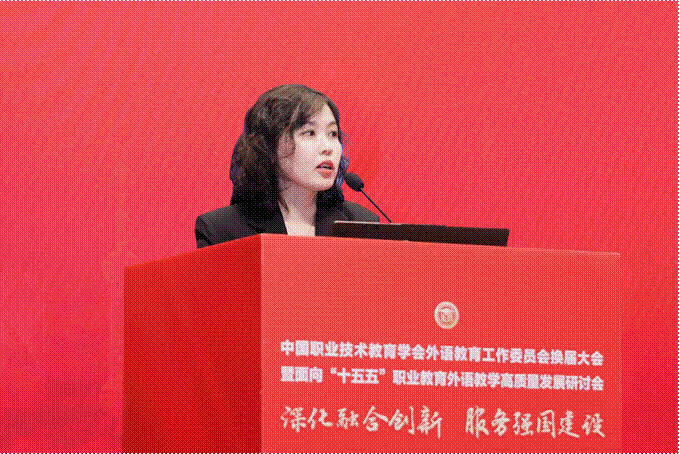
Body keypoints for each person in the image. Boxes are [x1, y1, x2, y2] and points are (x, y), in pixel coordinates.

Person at [196, 85, 378, 248]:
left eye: (332, 134)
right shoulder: (222, 230)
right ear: (269, 145)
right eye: (310, 133)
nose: (327, 147)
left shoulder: (362, 224)